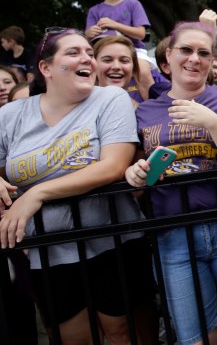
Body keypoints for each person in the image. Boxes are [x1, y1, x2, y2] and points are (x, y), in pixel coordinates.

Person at [0, 28, 149, 344]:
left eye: (89, 54)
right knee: (73, 338)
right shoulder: (11, 115)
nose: (87, 59)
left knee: (125, 333)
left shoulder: (110, 98)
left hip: (113, 240)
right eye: (74, 53)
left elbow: (113, 165)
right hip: (48, 251)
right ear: (46, 67)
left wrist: (37, 194)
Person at [125, 21, 217, 345]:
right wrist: (134, 174)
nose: (194, 58)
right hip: (174, 236)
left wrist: (212, 121)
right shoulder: (145, 111)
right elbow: (134, 168)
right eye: (186, 50)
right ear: (168, 57)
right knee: (196, 334)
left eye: (203, 52)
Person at [93, 35, 147, 106]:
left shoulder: (144, 114)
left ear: (133, 69)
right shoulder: (77, 109)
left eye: (124, 61)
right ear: (93, 66)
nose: (116, 66)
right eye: (107, 60)